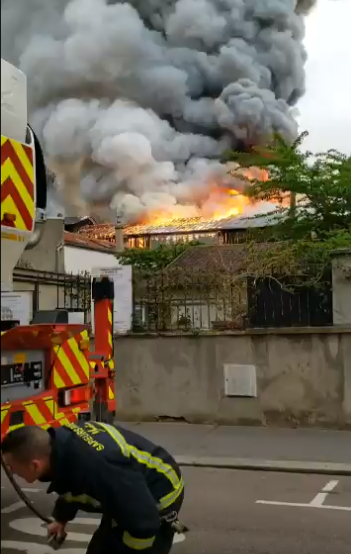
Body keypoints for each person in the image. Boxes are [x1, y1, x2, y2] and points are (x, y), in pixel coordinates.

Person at [1, 420, 185, 554]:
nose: (10, 471)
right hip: (128, 491)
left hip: (156, 495)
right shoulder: (60, 446)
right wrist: (61, 518)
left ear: (34, 465)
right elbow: (70, 482)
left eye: (11, 466)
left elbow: (144, 523)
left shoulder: (97, 467)